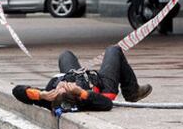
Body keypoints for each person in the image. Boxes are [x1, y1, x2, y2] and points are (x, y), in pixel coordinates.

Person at [12, 46, 152, 113]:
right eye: (64, 88)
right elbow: (107, 104)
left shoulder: (48, 96)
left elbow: (17, 91)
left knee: (65, 54)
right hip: (102, 86)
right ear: (71, 93)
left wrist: (40, 94)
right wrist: (81, 92)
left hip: (76, 74)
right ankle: (132, 92)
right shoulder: (81, 97)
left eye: (59, 87)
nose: (61, 85)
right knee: (113, 50)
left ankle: (72, 71)